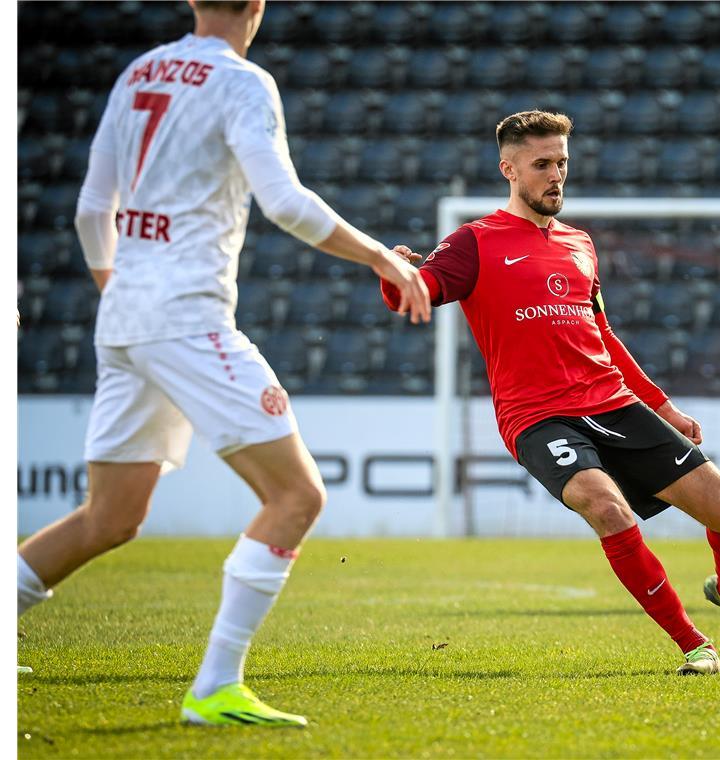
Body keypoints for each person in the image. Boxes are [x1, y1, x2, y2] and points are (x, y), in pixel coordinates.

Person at [16, 0, 431, 726]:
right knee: (297, 496)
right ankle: (214, 686)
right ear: (258, 7)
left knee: (109, 518)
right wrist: (378, 257)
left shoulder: (139, 70)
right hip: (186, 317)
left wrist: (117, 287)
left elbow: (91, 208)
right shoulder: (241, 82)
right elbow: (285, 202)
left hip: (125, 317)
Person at [380, 110, 720, 676]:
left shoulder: (580, 243)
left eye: (562, 163)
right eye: (542, 164)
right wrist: (393, 271)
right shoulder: (474, 242)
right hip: (538, 418)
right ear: (509, 169)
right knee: (608, 508)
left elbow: (602, 334)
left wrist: (662, 404)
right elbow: (412, 296)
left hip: (614, 402)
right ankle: (696, 646)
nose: (556, 176)